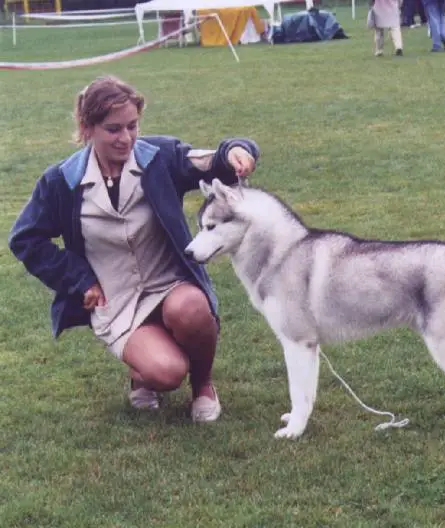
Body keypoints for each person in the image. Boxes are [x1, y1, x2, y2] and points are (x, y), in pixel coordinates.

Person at [8, 75, 260, 423]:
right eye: (113, 129)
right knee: (167, 372)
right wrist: (79, 280)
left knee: (192, 309)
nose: (125, 138)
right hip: (117, 301)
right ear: (87, 128)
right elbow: (25, 239)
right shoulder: (61, 182)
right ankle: (143, 372)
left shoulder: (161, 157)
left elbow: (210, 160)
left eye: (132, 126)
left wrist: (237, 150)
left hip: (170, 284)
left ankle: (203, 385)